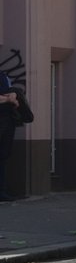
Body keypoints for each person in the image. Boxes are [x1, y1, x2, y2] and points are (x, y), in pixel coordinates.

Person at [0, 73, 20, 201]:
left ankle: (2, 191)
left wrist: (13, 95)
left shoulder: (3, 76)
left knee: (3, 156)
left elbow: (11, 91)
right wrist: (9, 99)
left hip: (7, 121)